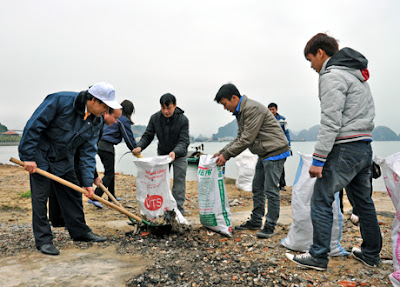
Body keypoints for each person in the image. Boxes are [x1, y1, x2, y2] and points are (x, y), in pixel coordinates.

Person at [286, 33, 382, 270]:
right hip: (364, 147)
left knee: (321, 198)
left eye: (310, 60)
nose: (311, 66)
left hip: (344, 148)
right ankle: (371, 253)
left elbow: (330, 121)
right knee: (364, 202)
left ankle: (318, 256)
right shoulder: (357, 76)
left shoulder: (331, 76)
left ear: (320, 53)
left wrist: (318, 160)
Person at [18, 82, 122, 255]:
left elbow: (88, 152)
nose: (106, 110)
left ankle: (80, 232)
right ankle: (43, 240)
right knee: (40, 198)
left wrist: (88, 181)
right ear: (94, 100)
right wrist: (28, 157)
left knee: (72, 193)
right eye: (105, 106)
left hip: (63, 158)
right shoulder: (60, 101)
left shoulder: (96, 122)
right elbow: (34, 125)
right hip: (41, 155)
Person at [213, 83, 290, 239]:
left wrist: (226, 156)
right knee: (257, 187)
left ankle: (270, 225)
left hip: (274, 152)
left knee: (271, 190)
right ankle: (255, 221)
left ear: (234, 98)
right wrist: (221, 152)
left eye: (225, 104)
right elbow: (240, 137)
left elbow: (247, 139)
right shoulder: (241, 112)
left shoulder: (252, 109)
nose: (225, 108)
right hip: (264, 153)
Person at [49, 107, 122, 225]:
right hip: (70, 156)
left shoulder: (98, 123)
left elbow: (89, 151)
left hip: (72, 156)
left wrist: (94, 176)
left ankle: (59, 220)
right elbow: (86, 151)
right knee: (71, 190)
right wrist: (90, 176)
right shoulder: (95, 122)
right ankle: (65, 221)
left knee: (61, 186)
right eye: (115, 118)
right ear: (106, 113)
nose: (116, 122)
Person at [132, 93, 189, 214]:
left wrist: (175, 152)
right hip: (163, 154)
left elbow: (184, 141)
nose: (166, 111)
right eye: (163, 108)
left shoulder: (183, 120)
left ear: (175, 105)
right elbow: (148, 136)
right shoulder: (155, 118)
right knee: (160, 181)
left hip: (179, 154)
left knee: (179, 182)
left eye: (169, 108)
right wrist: (140, 147)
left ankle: (178, 211)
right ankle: (163, 208)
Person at [89, 100, 137, 208]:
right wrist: (134, 149)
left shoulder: (115, 117)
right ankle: (95, 196)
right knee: (109, 173)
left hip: (100, 145)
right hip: (106, 147)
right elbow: (128, 136)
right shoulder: (123, 120)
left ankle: (111, 196)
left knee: (110, 171)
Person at [268, 102, 291, 191]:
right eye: (269, 109)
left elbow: (287, 133)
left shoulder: (282, 120)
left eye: (273, 109)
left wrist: (289, 146)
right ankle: (272, 184)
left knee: (280, 165)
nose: (271, 111)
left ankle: (282, 185)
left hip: (281, 146)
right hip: (270, 147)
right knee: (270, 165)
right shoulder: (266, 119)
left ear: (276, 110)